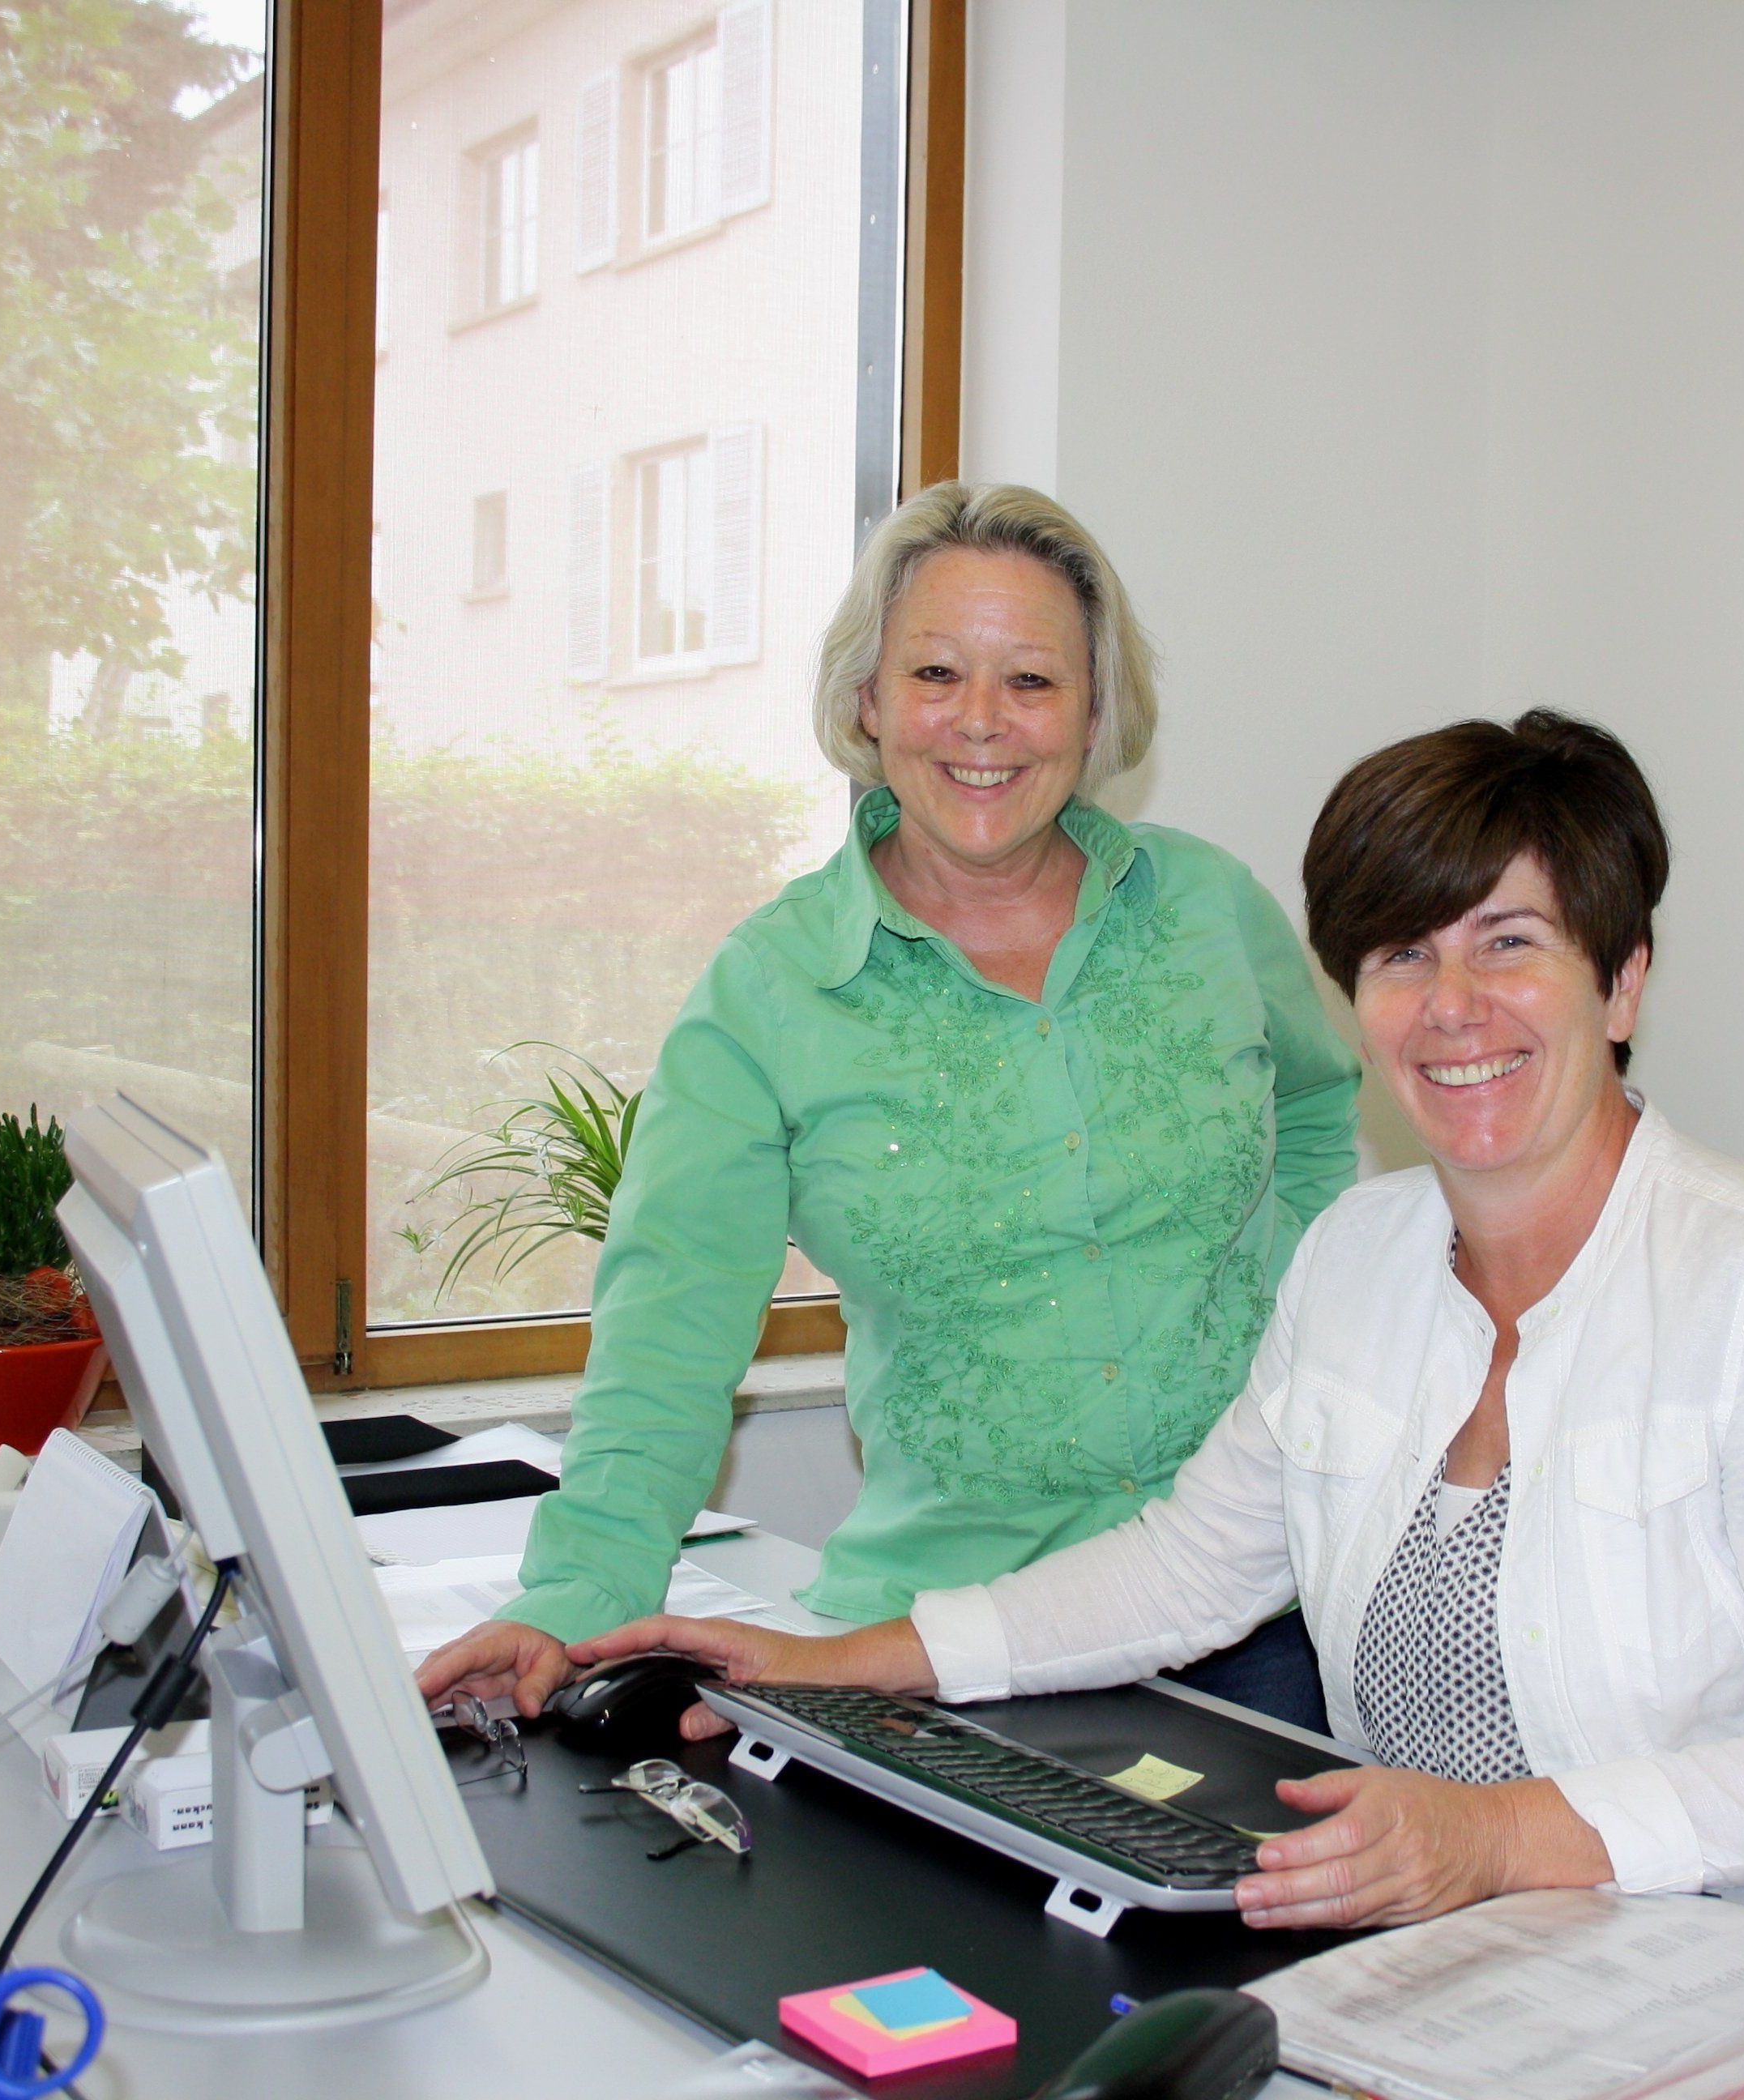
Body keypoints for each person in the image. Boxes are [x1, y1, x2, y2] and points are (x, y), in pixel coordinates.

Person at [575, 711, 1744, 1938]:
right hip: (1471, 1965)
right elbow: (1190, 1572)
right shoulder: (1360, 1259)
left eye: (1509, 943)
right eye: (1399, 957)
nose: (1452, 1007)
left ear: (1624, 977)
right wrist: (844, 1659)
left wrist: (1502, 1839)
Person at [416, 483, 1360, 1728]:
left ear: (1095, 712)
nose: (983, 723)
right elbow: (669, 1338)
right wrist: (571, 1597)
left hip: (1268, 1621)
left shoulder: (1209, 911)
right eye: (934, 673)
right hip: (947, 1652)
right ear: (866, 701)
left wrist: (1286, 1321)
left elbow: (1321, 1111)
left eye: (1032, 681)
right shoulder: (770, 992)